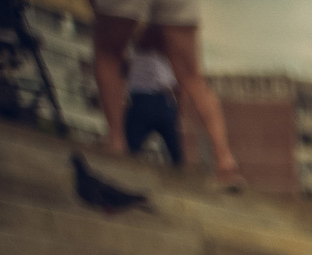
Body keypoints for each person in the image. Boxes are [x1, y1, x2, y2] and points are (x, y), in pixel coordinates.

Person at [89, 0, 240, 189]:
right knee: (193, 78)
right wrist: (180, 113)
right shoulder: (164, 59)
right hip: (166, 105)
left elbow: (122, 65)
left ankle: (115, 144)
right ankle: (224, 159)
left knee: (108, 54)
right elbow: (179, 88)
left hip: (142, 103)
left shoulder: (142, 52)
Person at [120, 26, 182, 168]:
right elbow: (170, 85)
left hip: (140, 101)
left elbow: (124, 70)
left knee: (131, 144)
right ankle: (178, 167)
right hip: (161, 102)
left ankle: (130, 167)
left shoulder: (134, 56)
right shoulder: (162, 59)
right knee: (174, 147)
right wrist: (177, 108)